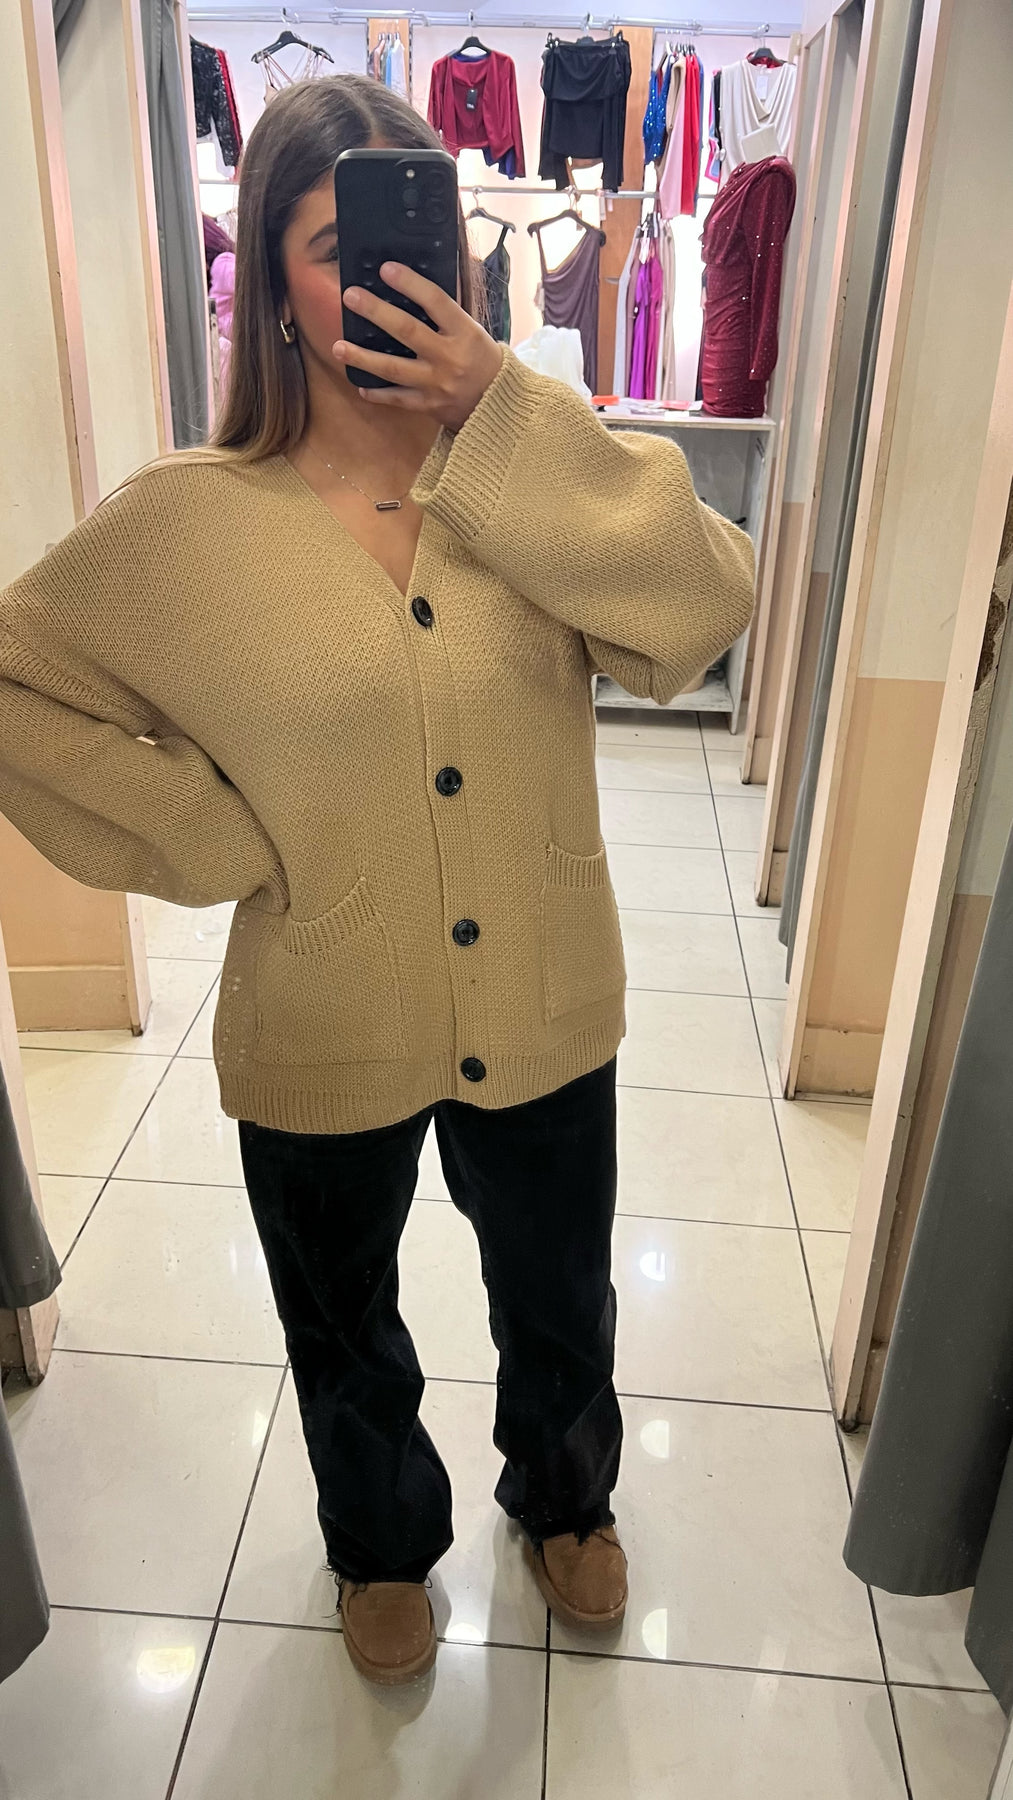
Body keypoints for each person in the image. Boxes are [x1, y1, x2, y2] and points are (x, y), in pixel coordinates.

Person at [0, 77, 754, 1686]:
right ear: (272, 280)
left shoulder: (529, 476)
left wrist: (505, 409)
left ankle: (565, 1504)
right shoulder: (187, 527)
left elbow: (703, 604)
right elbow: (17, 681)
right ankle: (380, 1543)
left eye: (417, 240)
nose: (390, 276)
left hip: (543, 986)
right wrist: (215, 839)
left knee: (557, 1299)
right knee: (341, 1320)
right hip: (320, 1006)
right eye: (335, 243)